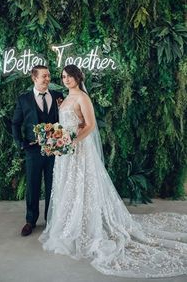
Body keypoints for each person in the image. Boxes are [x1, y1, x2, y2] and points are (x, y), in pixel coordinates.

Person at [39, 64, 187, 278]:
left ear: (78, 78)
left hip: (78, 150)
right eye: (63, 77)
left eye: (70, 76)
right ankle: (69, 225)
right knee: (67, 186)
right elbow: (69, 123)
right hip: (66, 152)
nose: (66, 80)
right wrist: (59, 140)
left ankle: (89, 226)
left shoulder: (82, 97)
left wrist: (72, 142)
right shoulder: (65, 98)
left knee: (83, 185)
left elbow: (89, 125)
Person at [12, 65, 63, 236]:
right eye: (44, 76)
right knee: (32, 186)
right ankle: (30, 220)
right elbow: (15, 123)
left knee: (52, 185)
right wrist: (21, 143)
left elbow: (63, 120)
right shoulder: (24, 99)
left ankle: (51, 220)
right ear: (34, 78)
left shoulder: (57, 96)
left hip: (54, 150)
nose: (48, 79)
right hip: (33, 150)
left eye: (48, 76)